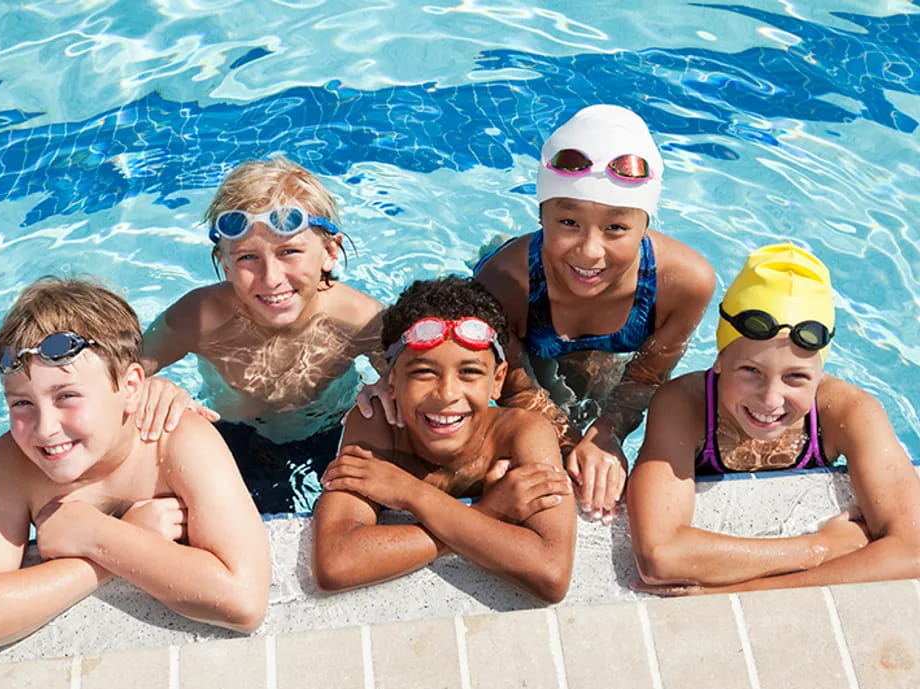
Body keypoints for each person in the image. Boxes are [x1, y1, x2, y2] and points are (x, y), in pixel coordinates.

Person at [627, 243, 920, 594]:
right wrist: (818, 548)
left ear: (820, 372)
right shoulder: (684, 405)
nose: (770, 400)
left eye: (796, 377)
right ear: (719, 361)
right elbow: (660, 556)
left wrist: (732, 593)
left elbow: (912, 550)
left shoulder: (848, 411)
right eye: (750, 370)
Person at [0, 277, 270, 647]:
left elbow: (244, 600)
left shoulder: (174, 440)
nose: (44, 429)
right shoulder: (13, 462)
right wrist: (105, 553)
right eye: (21, 404)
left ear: (132, 388)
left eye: (67, 396)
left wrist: (95, 534)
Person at [470, 104, 715, 525]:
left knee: (597, 383)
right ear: (542, 214)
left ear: (645, 225)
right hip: (532, 326)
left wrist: (607, 435)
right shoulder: (503, 280)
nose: (589, 250)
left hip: (600, 343)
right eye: (568, 221)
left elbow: (647, 376)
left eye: (616, 228)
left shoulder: (686, 282)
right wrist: (570, 444)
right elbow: (513, 384)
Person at [141, 156, 385, 513]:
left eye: (289, 252)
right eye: (246, 258)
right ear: (224, 264)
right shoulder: (199, 317)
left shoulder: (361, 320)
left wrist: (392, 385)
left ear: (329, 252)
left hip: (332, 432)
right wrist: (150, 387)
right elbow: (117, 373)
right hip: (235, 436)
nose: (270, 278)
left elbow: (423, 376)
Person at [313, 276, 576, 603]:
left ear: (498, 381)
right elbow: (336, 563)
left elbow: (551, 574)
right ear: (392, 381)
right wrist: (490, 512)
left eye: (469, 372)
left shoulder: (523, 432)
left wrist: (410, 492)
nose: (447, 394)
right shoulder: (375, 424)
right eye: (424, 372)